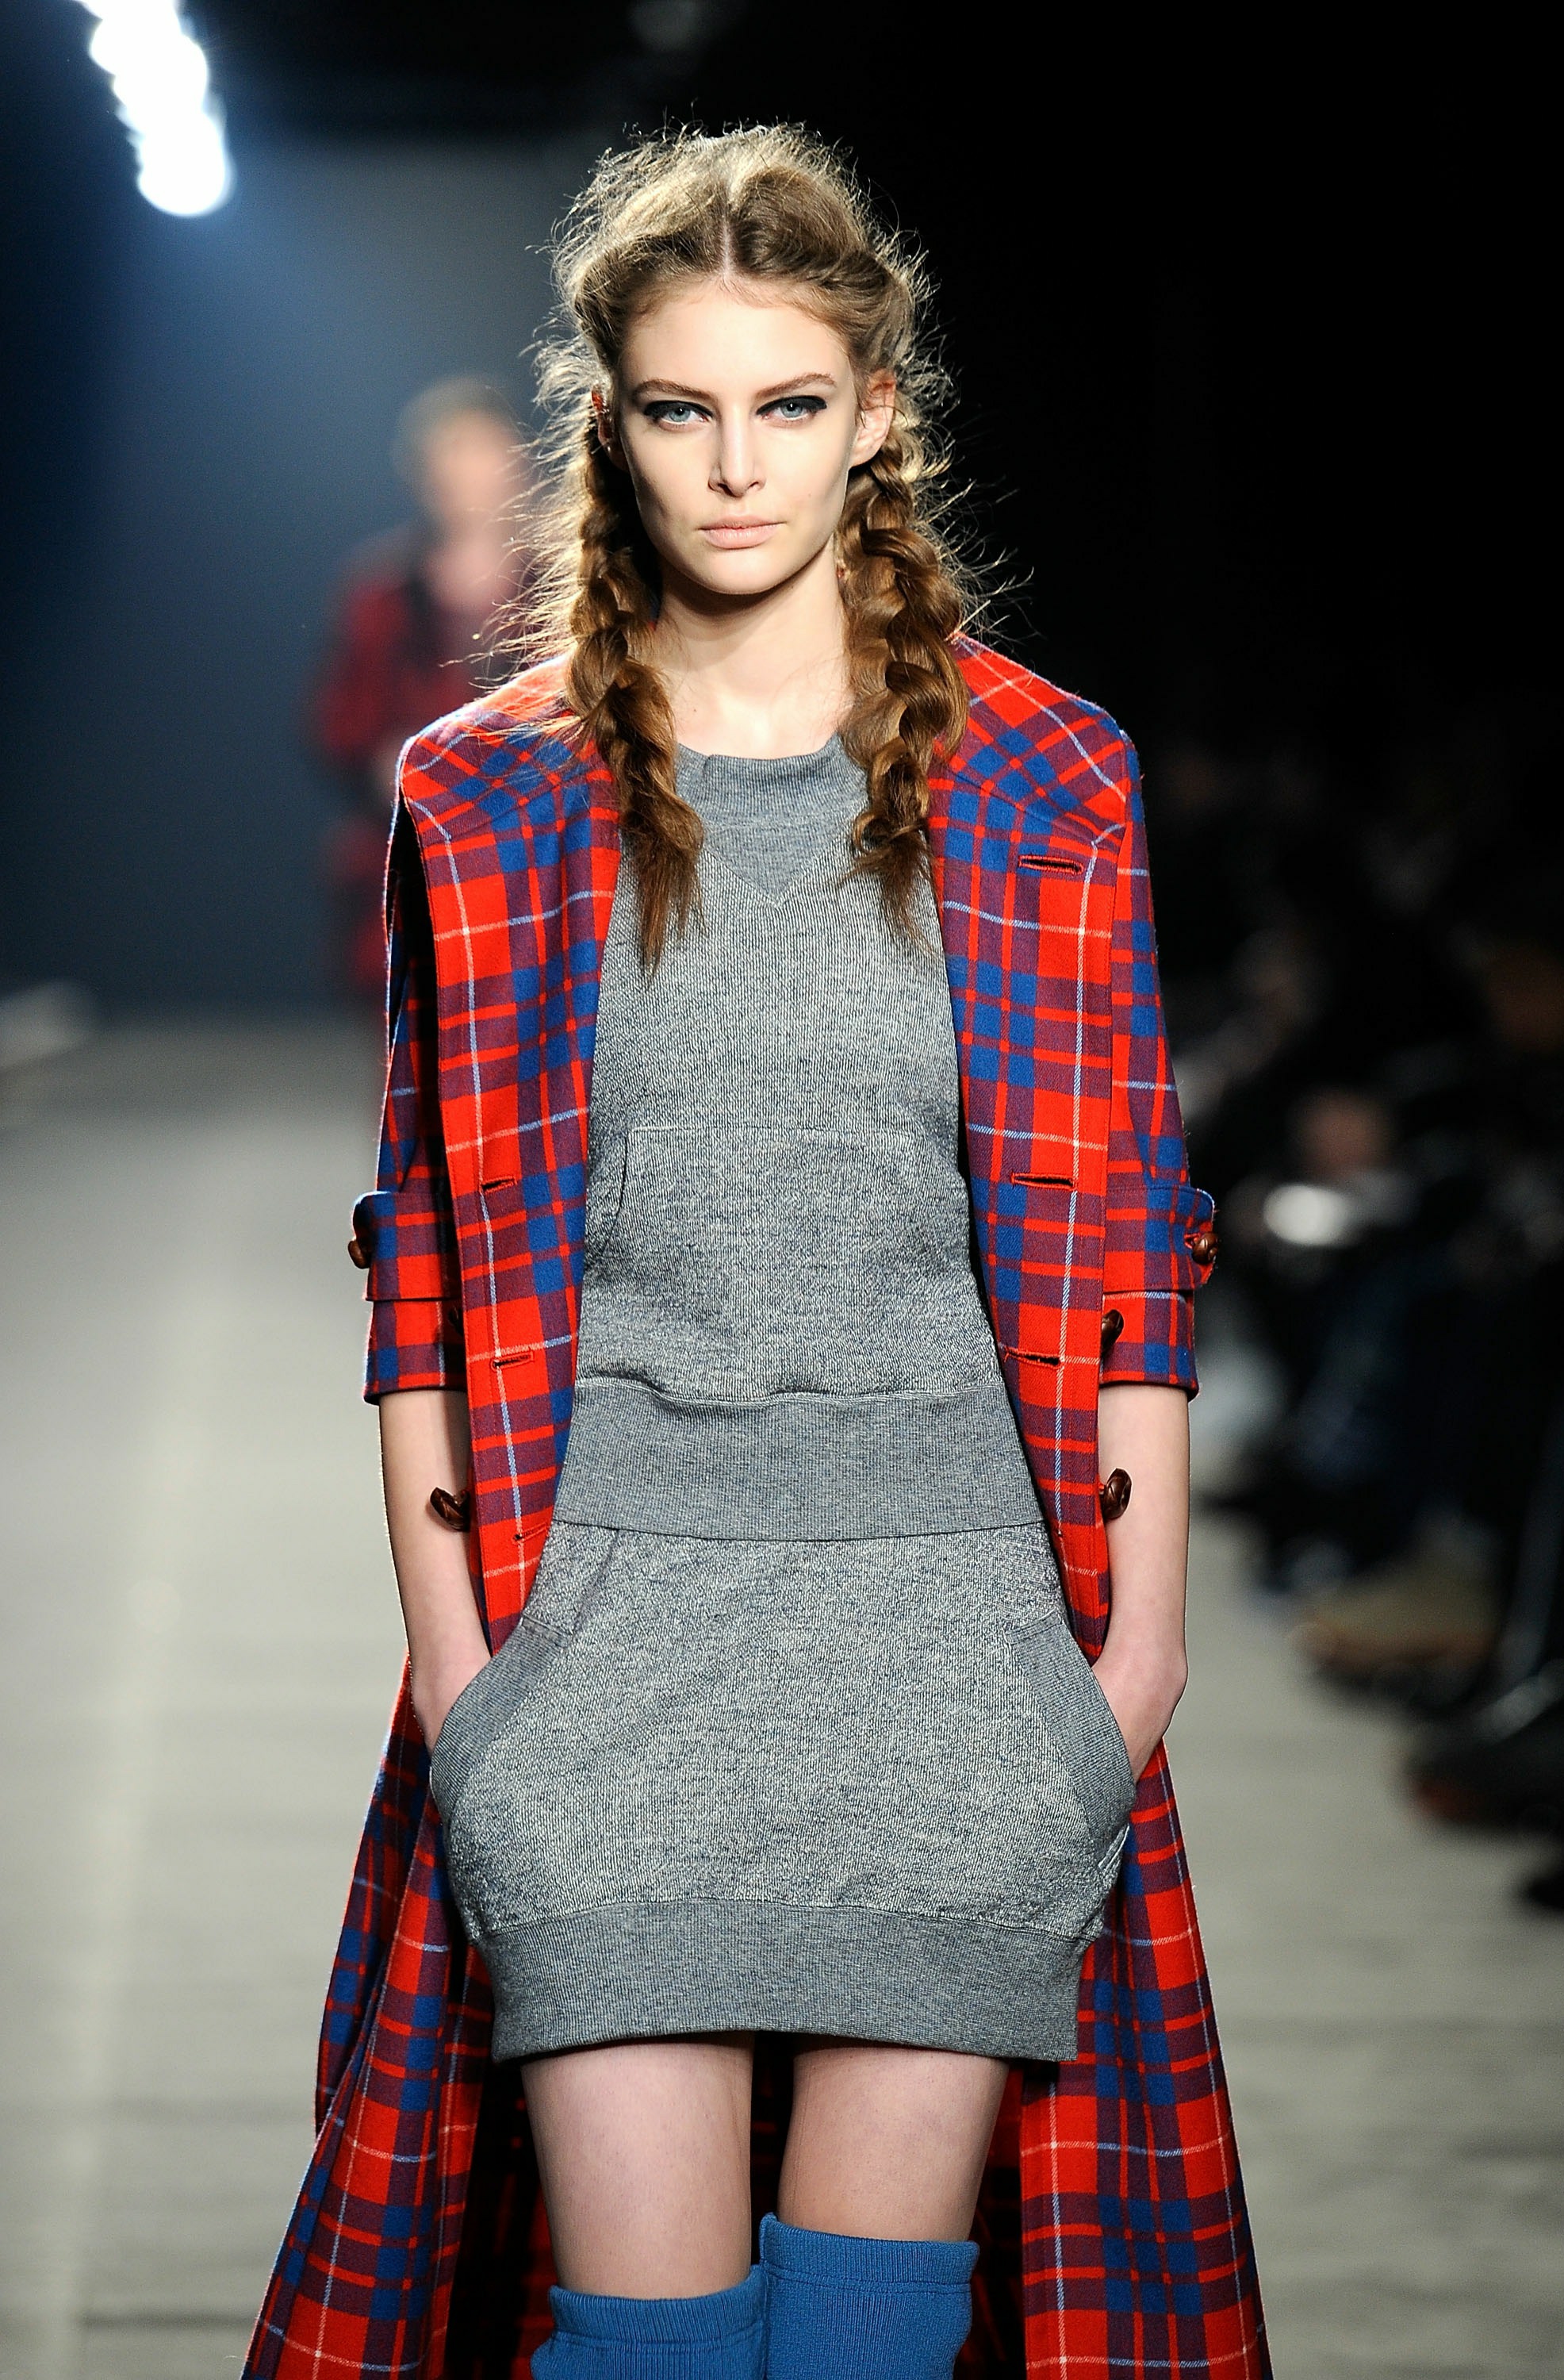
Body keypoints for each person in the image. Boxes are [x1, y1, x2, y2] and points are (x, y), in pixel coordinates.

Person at [247, 130, 1267, 2380]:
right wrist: (467, 1691)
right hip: (599, 1650)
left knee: (869, 2348)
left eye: (788, 404)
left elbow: (1124, 1226)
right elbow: (427, 1271)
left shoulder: (1045, 781)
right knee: (646, 2351)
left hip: (956, 1653)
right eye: (682, 408)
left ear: (875, 414)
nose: (736, 466)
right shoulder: (484, 795)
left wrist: (1130, 1668)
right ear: (608, 423)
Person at [311, 378, 527, 1001]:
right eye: (446, 454)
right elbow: (340, 729)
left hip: (532, 860)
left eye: (477, 449)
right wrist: (399, 767)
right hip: (413, 858)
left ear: (517, 459)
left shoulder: (567, 583)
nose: (462, 473)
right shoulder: (381, 592)